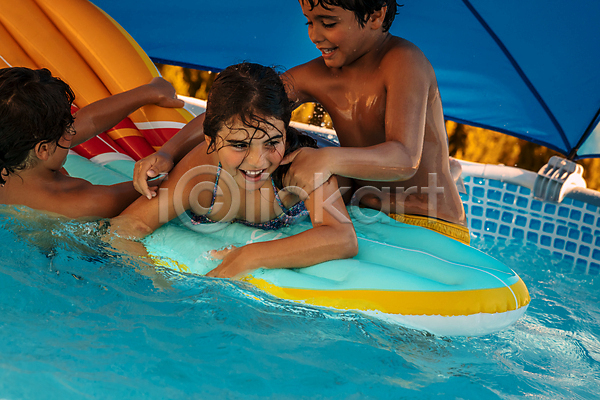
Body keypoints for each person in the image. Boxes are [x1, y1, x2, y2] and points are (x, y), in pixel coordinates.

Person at [132, 0, 469, 245]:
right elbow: (238, 112)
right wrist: (169, 151)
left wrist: (327, 158)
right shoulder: (319, 74)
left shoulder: (404, 63)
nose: (314, 35)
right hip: (362, 215)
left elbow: (404, 159)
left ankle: (451, 173)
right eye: (309, 22)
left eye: (328, 21)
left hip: (427, 221)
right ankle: (451, 170)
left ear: (376, 14)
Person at [111, 62, 357, 279]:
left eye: (272, 142)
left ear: (284, 131)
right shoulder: (204, 168)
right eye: (240, 145)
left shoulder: (298, 164)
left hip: (339, 164)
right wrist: (158, 283)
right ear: (210, 143)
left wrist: (249, 256)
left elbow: (342, 238)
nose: (257, 161)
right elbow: (129, 224)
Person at [0, 67, 184, 218]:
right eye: (69, 127)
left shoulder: (12, 149)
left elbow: (89, 121)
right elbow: (165, 187)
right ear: (44, 149)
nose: (74, 129)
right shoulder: (83, 203)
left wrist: (150, 92)